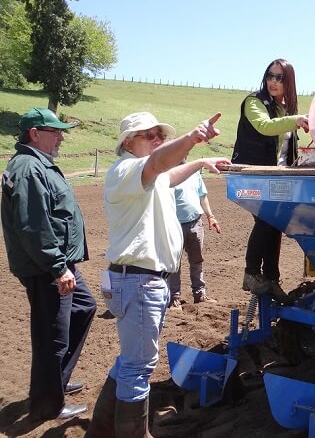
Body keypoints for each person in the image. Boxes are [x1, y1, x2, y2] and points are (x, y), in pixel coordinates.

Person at [86, 111, 230, 437]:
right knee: (138, 368)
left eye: (159, 135)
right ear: (127, 142)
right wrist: (193, 138)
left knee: (130, 361)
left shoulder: (148, 175)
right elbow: (158, 165)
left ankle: (101, 430)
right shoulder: (127, 170)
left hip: (142, 279)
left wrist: (199, 162)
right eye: (148, 135)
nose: (156, 139)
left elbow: (168, 174)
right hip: (139, 280)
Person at [1, 108, 97, 421]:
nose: (61, 137)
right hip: (47, 268)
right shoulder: (29, 168)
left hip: (56, 263)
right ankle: (47, 406)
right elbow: (33, 226)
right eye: (54, 131)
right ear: (34, 134)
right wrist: (58, 268)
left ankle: (56, 382)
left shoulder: (38, 164)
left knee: (84, 307)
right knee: (51, 338)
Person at [231, 58, 309, 304]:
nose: (273, 82)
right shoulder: (255, 103)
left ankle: (271, 279)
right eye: (270, 76)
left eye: (279, 78)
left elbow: (287, 150)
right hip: (253, 175)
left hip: (276, 178)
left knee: (275, 224)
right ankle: (251, 273)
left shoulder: (284, 108)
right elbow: (265, 127)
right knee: (266, 220)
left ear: (289, 82)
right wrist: (294, 120)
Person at [167, 167, 220, 308]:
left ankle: (200, 294)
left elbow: (202, 196)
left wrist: (211, 216)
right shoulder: (168, 174)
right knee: (174, 264)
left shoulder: (195, 173)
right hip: (173, 225)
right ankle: (173, 298)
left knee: (197, 261)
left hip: (195, 222)